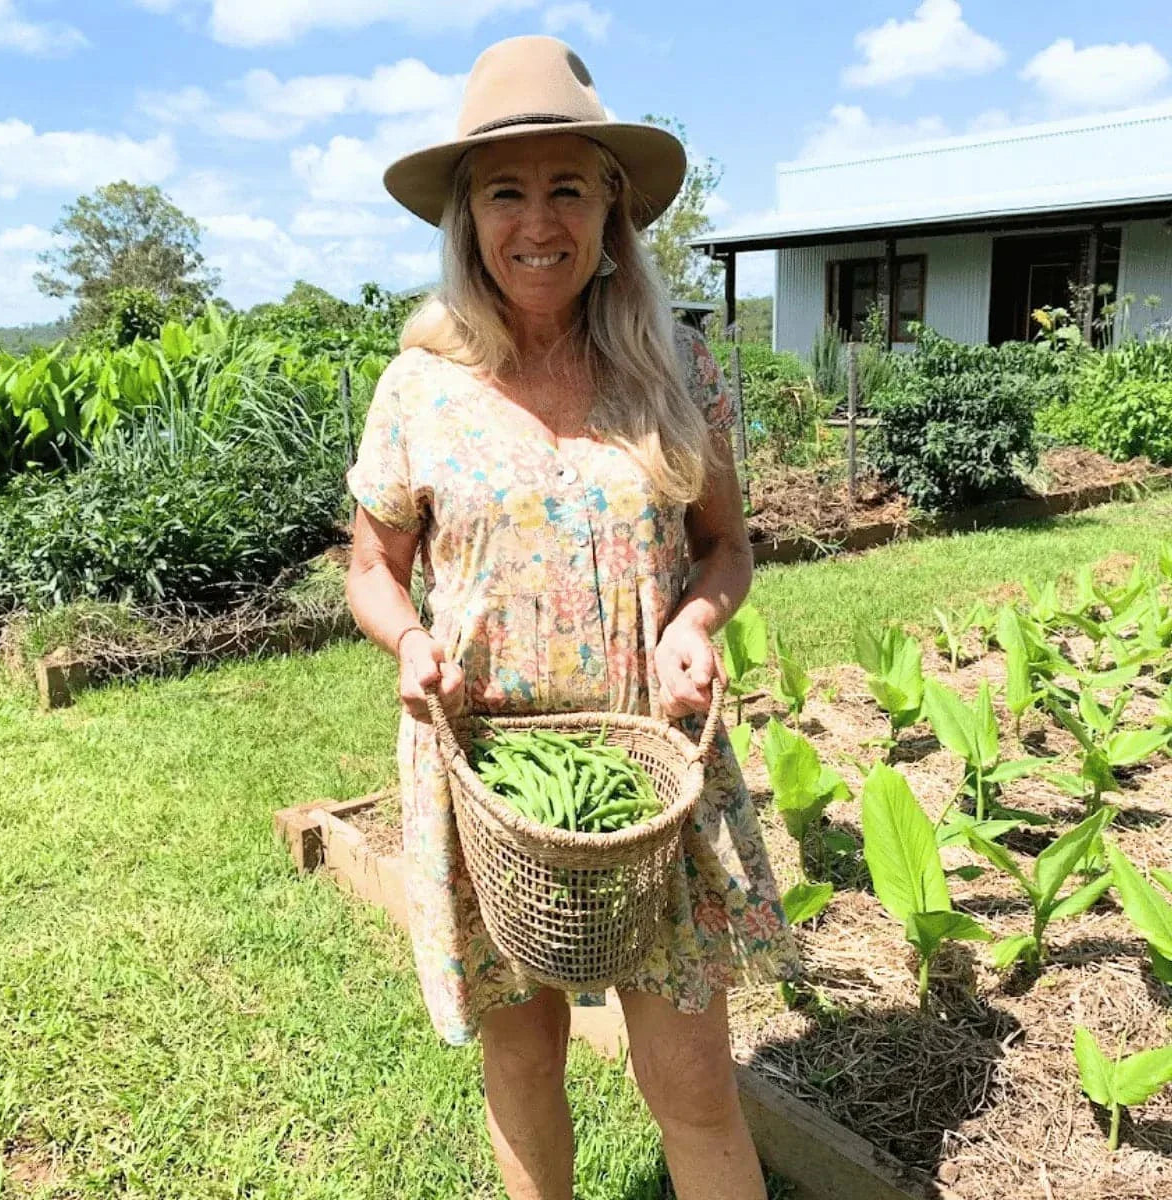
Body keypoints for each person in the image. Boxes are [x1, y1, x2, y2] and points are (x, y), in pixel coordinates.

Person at [345, 34, 797, 1200]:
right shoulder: (419, 386)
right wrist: (409, 641)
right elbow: (371, 568)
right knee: (523, 1061)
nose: (536, 220)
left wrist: (698, 623)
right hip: (489, 776)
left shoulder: (674, 366)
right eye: (505, 189)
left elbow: (727, 545)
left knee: (694, 1085)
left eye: (566, 187)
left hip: (653, 774)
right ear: (466, 217)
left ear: (610, 210)